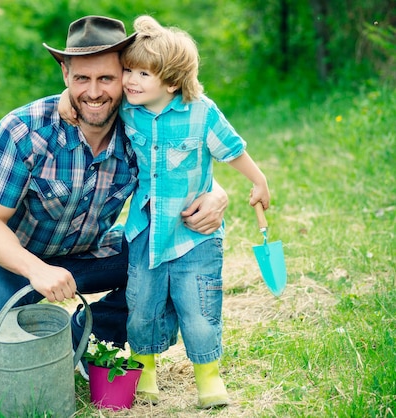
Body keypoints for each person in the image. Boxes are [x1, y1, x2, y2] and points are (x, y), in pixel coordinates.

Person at [0, 15, 229, 380]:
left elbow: (188, 169)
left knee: (168, 263)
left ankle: (86, 339)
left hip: (90, 252)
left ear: (126, 78)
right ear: (66, 75)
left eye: (106, 79)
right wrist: (37, 270)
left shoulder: (139, 129)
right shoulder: (23, 131)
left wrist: (215, 194)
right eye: (82, 78)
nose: (94, 91)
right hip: (14, 259)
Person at [60, 15, 270, 408]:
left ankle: (208, 377)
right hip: (145, 231)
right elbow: (85, 96)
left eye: (142, 73)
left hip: (196, 236)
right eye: (128, 71)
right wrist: (62, 97)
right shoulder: (127, 110)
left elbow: (232, 148)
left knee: (200, 307)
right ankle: (146, 371)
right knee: (142, 307)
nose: (131, 81)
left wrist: (258, 182)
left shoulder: (201, 112)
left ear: (172, 82)